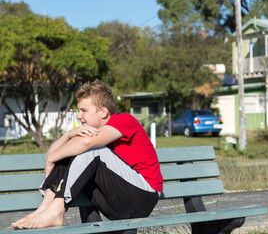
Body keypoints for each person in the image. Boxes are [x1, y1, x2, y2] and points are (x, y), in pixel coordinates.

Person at [11, 80, 163, 229]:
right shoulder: (90, 135)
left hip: (143, 196)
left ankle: (56, 211)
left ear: (103, 112)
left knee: (90, 150)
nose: (79, 116)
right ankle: (43, 210)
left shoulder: (124, 120)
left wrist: (51, 158)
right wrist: (69, 135)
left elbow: (82, 145)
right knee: (71, 152)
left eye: (84, 110)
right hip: (118, 199)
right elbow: (53, 153)